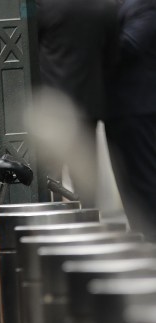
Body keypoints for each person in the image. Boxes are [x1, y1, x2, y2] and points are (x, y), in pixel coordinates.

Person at [35, 0, 117, 207]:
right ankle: (89, 222)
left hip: (55, 105)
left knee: (51, 175)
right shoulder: (103, 7)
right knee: (86, 178)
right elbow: (112, 52)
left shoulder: (45, 7)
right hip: (88, 103)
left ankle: (55, 223)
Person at [103, 0, 156, 239]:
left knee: (143, 182)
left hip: (138, 108)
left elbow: (129, 45)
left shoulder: (147, 5)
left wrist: (90, 37)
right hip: (121, 109)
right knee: (129, 184)